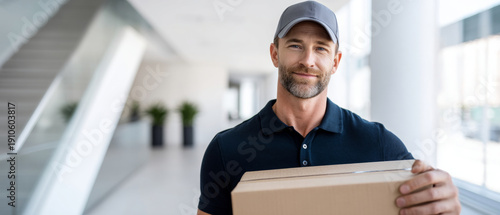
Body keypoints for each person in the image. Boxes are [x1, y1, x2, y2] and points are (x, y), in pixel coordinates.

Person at [197, 1, 461, 215]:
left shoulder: (377, 143)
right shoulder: (227, 149)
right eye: (295, 45)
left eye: (321, 48)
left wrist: (442, 200)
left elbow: (424, 198)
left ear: (335, 62)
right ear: (275, 54)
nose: (308, 60)